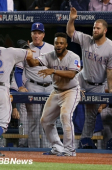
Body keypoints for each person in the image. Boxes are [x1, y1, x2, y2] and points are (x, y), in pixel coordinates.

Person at [26, 32, 81, 156]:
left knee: (65, 116)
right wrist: (28, 55)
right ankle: (57, 147)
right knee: (45, 120)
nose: (58, 45)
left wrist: (54, 71)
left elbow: (72, 74)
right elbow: (33, 64)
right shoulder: (49, 56)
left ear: (66, 45)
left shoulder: (74, 56)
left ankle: (70, 150)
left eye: (61, 43)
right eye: (56, 43)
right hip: (56, 91)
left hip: (71, 91)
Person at [66, 7, 112, 148]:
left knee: (91, 115)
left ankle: (85, 140)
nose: (95, 30)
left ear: (105, 30)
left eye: (98, 28)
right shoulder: (86, 39)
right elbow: (70, 32)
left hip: (97, 85)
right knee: (65, 103)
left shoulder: (110, 46)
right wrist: (72, 19)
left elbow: (110, 71)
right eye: (93, 28)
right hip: (81, 78)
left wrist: (110, 90)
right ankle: (67, 139)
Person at [15, 22, 54, 148]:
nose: (36, 35)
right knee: (33, 122)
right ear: (31, 35)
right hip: (33, 86)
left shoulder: (52, 48)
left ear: (43, 35)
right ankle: (34, 151)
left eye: (39, 33)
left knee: (48, 121)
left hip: (50, 87)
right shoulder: (25, 50)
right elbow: (18, 71)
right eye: (34, 33)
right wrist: (20, 86)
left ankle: (48, 151)